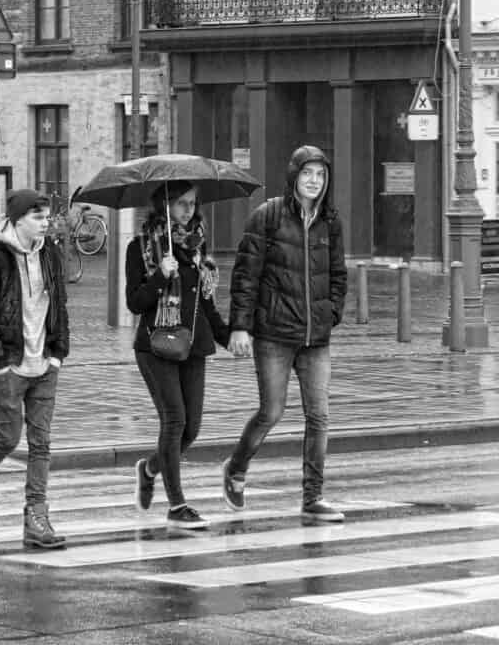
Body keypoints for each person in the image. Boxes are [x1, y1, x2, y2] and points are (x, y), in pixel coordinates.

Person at [222, 145, 348, 523]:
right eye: (308, 173)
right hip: (275, 334)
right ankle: (236, 468)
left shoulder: (331, 221)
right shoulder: (268, 216)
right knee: (271, 412)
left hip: (316, 338)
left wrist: (332, 312)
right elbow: (245, 276)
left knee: (319, 416)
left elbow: (338, 275)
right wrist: (240, 326)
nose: (314, 181)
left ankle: (313, 497)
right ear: (294, 176)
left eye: (321, 175)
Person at [0, 188, 71, 549]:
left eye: (46, 217)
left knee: (41, 444)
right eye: (38, 217)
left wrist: (58, 353)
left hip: (45, 364)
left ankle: (36, 518)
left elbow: (60, 304)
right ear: (18, 219)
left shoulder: (50, 253)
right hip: (10, 365)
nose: (45, 223)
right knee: (9, 438)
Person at [126, 180, 230, 529]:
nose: (188, 210)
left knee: (192, 429)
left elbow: (206, 303)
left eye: (192, 204)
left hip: (193, 345)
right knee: (175, 420)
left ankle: (150, 468)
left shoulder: (198, 248)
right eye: (181, 204)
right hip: (156, 345)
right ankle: (177, 505)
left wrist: (229, 336)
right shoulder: (139, 247)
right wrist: (159, 276)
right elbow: (135, 302)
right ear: (164, 205)